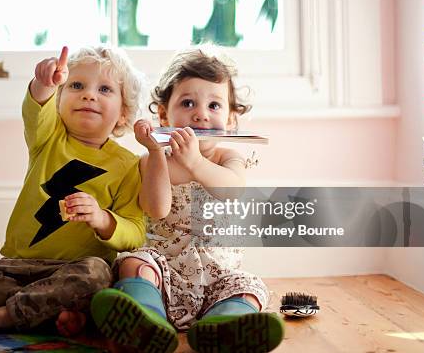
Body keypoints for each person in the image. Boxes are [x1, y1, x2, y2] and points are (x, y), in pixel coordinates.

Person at [91, 47, 285, 353]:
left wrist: (196, 163)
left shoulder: (229, 157)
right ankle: (146, 320)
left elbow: (231, 190)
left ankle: (223, 326)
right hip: (165, 271)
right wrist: (156, 153)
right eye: (188, 102)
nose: (201, 113)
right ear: (165, 114)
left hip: (219, 276)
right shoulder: (152, 160)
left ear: (231, 120)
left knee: (248, 289)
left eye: (214, 104)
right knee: (133, 263)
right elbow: (157, 208)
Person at [0, 46, 147, 337]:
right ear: (59, 100)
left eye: (105, 89)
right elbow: (35, 108)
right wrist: (44, 83)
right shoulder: (48, 138)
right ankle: (60, 314)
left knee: (98, 276)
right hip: (18, 266)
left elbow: (136, 232)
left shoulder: (128, 166)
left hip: (74, 271)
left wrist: (102, 218)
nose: (88, 94)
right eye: (76, 86)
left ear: (123, 113)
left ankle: (2, 317)